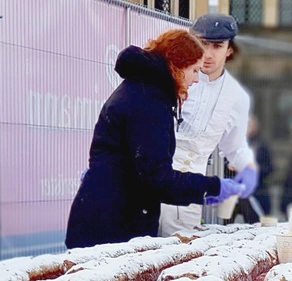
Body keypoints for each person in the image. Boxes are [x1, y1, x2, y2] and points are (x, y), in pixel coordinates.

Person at [65, 29, 243, 249]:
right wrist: (212, 186)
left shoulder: (145, 91)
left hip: (110, 218)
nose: (196, 79)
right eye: (194, 70)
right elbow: (157, 178)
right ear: (178, 65)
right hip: (112, 228)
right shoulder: (148, 102)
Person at [158, 13, 258, 236]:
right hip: (151, 182)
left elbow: (234, 146)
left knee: (178, 258)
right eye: (203, 44)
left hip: (189, 194)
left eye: (217, 46)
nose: (208, 54)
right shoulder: (172, 76)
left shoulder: (237, 97)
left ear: (229, 49)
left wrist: (248, 168)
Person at [228, 114, 274, 223]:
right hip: (236, 192)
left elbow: (269, 169)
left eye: (250, 125)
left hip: (257, 191)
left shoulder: (262, 145)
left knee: (256, 223)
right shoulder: (233, 144)